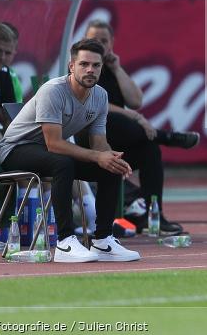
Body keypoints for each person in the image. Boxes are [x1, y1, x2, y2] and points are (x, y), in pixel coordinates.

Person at [0, 38, 140, 262]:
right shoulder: (53, 90)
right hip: (15, 149)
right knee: (63, 163)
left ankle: (103, 241)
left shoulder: (100, 96)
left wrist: (111, 158)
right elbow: (53, 143)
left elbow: (99, 144)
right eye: (84, 64)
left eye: (96, 65)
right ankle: (65, 242)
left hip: (46, 152)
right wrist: (97, 156)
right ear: (71, 66)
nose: (90, 69)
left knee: (109, 168)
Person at [84, 20, 198, 235]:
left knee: (150, 150)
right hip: (91, 141)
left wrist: (117, 68)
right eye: (94, 40)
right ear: (84, 41)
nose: (99, 44)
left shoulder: (112, 68)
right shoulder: (84, 67)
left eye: (104, 41)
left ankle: (154, 216)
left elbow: (136, 100)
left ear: (112, 43)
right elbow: (92, 101)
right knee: (114, 118)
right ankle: (166, 136)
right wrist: (134, 116)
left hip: (117, 143)